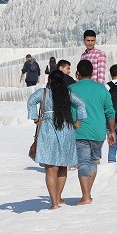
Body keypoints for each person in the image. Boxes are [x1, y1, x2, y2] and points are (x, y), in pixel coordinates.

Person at [28, 71, 87, 209]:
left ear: (49, 80)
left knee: (50, 168)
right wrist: (78, 121)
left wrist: (35, 117)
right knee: (62, 166)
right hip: (66, 129)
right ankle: (59, 197)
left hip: (49, 128)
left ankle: (54, 202)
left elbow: (31, 101)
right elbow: (81, 104)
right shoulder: (68, 94)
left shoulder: (44, 93)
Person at [69, 60, 116, 205]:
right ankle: (87, 194)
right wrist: (112, 131)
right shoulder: (102, 89)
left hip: (79, 130)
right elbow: (110, 111)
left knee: (83, 162)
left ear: (77, 73)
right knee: (93, 162)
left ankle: (86, 196)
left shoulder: (70, 88)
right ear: (92, 73)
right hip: (98, 131)